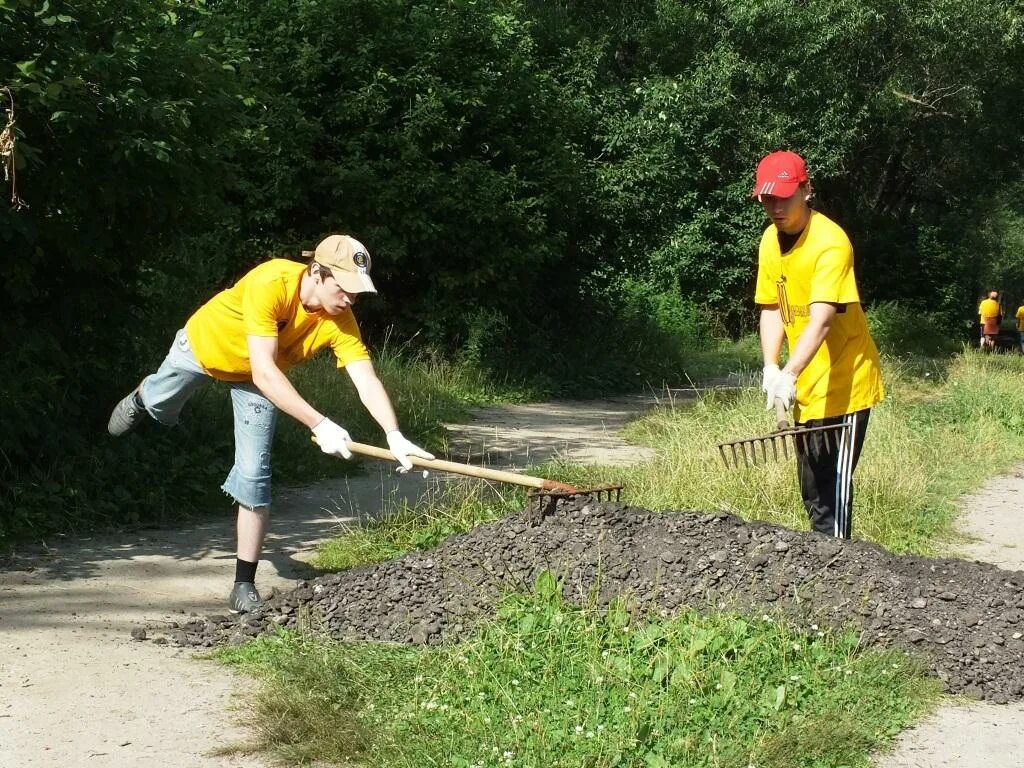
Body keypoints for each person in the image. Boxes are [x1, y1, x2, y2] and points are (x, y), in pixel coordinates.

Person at [107, 234, 434, 613]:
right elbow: (264, 369)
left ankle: (243, 584)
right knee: (160, 407)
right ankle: (144, 395)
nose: (351, 300)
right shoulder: (271, 283)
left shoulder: (340, 320)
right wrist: (319, 423)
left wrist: (394, 434)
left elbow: (365, 379)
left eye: (358, 293)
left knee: (254, 474)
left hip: (259, 381)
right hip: (206, 348)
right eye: (345, 290)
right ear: (317, 273)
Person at [752, 150, 885, 540]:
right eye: (766, 198)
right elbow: (772, 306)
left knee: (832, 490)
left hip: (845, 384)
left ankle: (840, 569)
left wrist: (789, 372)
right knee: (811, 488)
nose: (775, 207)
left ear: (807, 190)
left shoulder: (830, 243)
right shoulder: (769, 241)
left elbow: (823, 319)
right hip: (807, 385)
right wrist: (771, 367)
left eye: (784, 196)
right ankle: (820, 566)